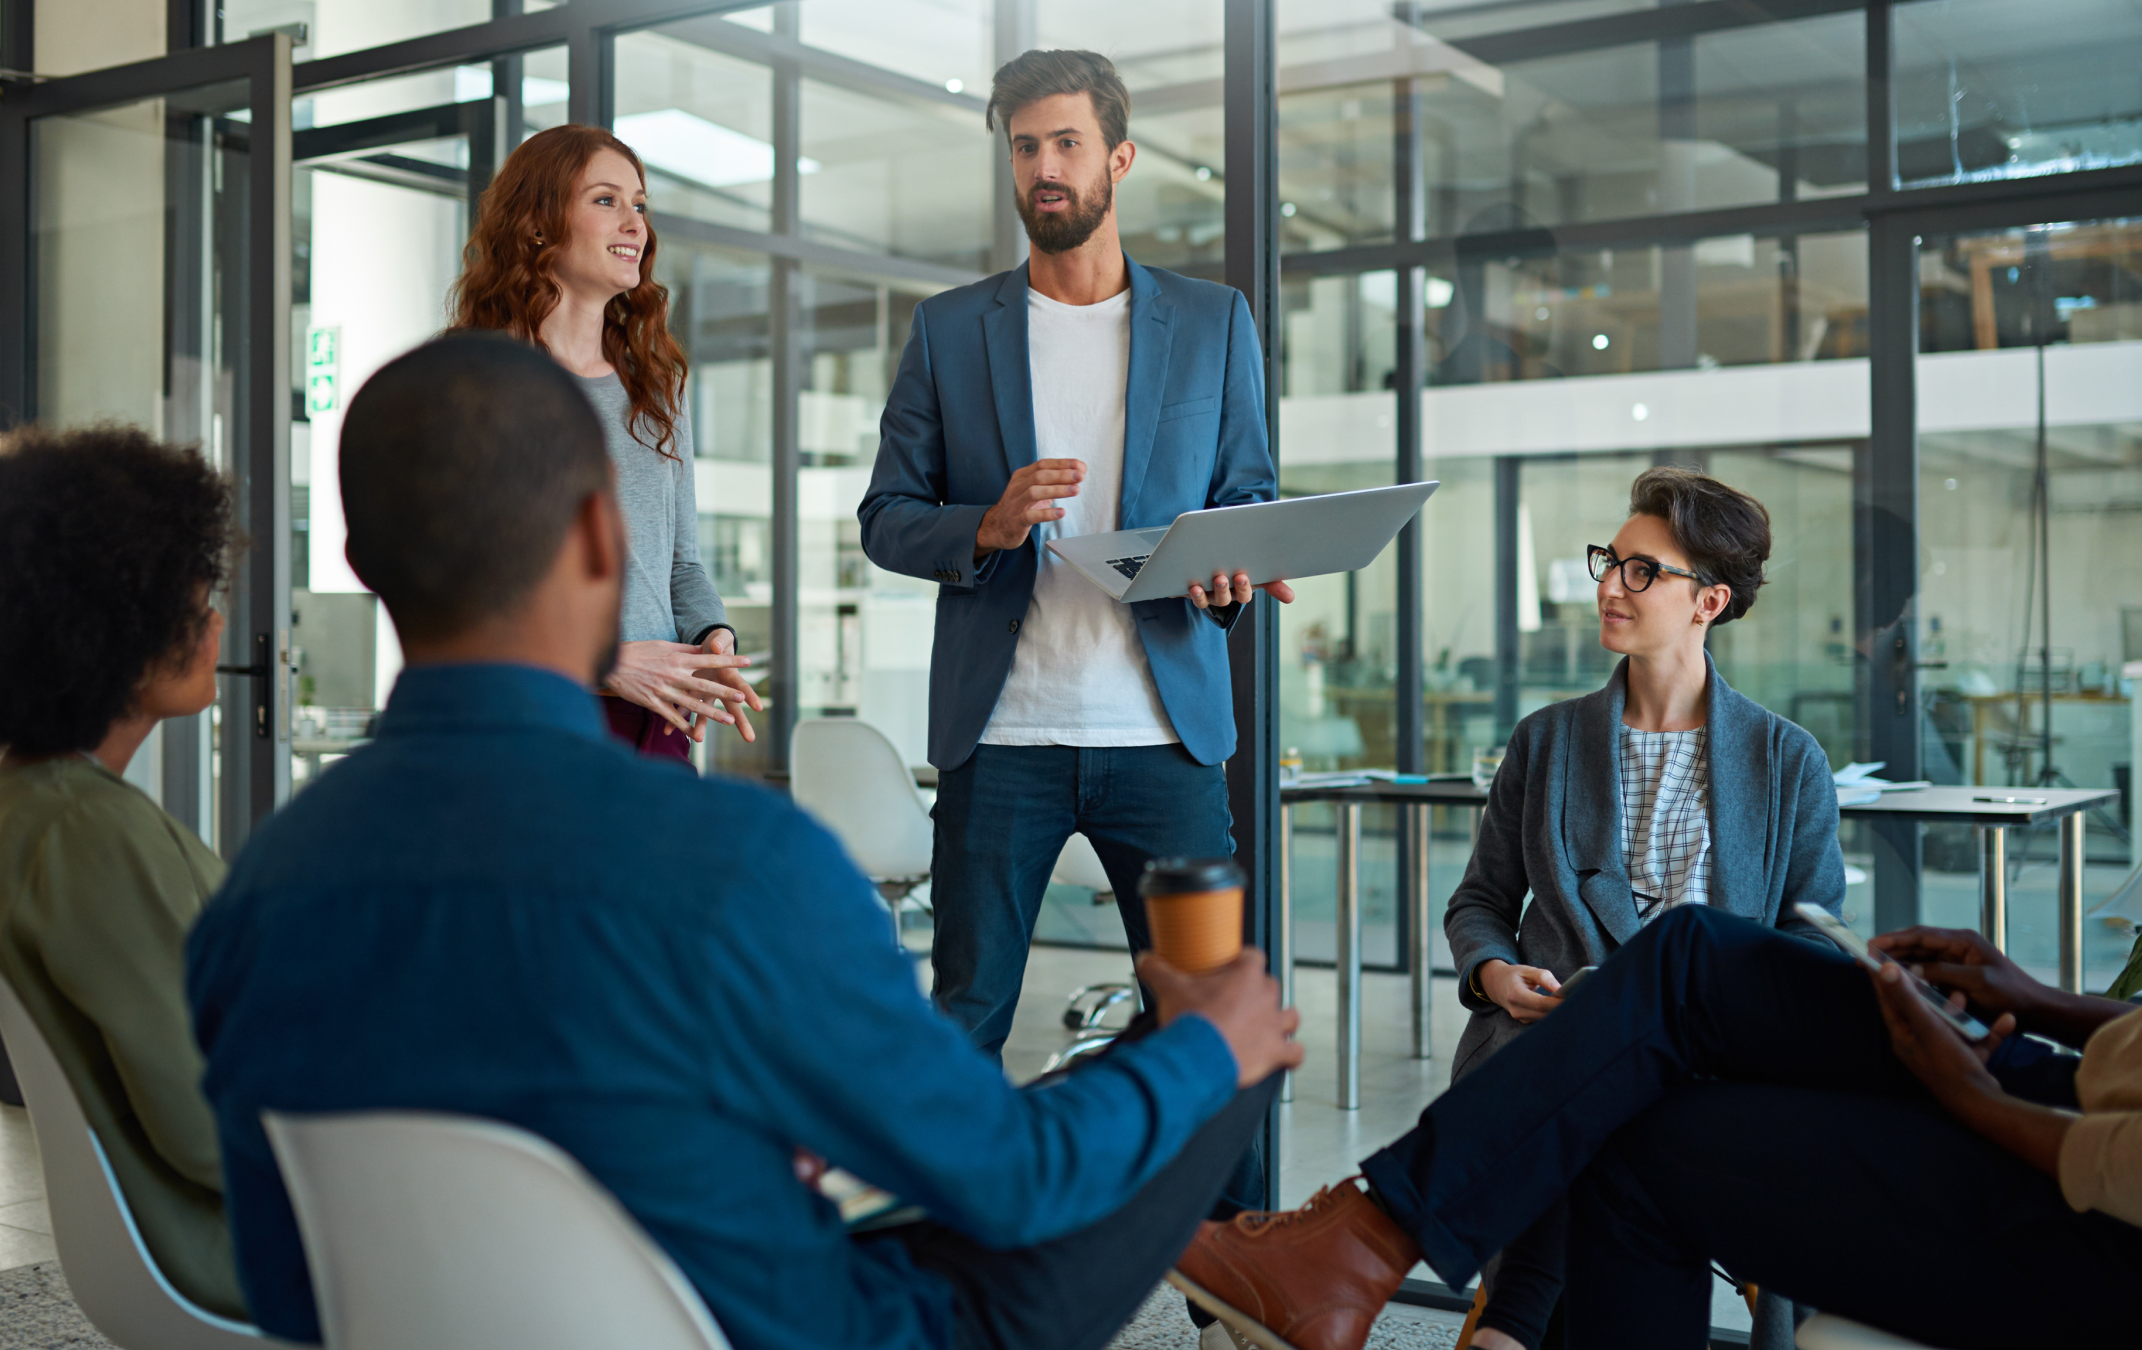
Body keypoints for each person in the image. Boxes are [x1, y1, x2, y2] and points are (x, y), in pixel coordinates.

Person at [1167, 368, 2142, 1350]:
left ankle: (1365, 1249)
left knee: (1650, 1083)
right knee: (1689, 966)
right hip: (2092, 1094)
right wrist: (2042, 1000)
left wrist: (1976, 1096)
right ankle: (1361, 1249)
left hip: (2123, 1234)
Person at [187, 333, 1305, 1350]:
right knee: (1216, 1047)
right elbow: (1014, 1182)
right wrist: (1206, 1050)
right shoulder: (734, 864)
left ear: (362, 561)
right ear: (597, 539)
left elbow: (286, 1272)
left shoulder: (255, 895)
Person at [856, 49, 1294, 1059]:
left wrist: (1225, 578)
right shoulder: (951, 329)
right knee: (964, 1019)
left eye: (1066, 143)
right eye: (1024, 147)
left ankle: (1218, 1227)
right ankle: (959, 1221)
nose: (1044, 167)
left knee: (1211, 1022)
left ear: (1120, 157)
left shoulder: (1213, 322)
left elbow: (1247, 494)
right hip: (1002, 735)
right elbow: (885, 516)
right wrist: (986, 525)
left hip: (1166, 737)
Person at [1448, 466, 1844, 1350]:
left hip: (1714, 1059)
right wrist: (1495, 972)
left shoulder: (1786, 762)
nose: (1608, 587)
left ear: (1709, 601)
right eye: (1609, 562)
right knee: (1596, 1073)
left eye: (1641, 570)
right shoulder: (1545, 741)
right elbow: (1480, 901)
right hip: (1543, 1036)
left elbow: (1814, 947)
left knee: (1619, 1086)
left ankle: (1508, 1325)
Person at [0, 425, 246, 1319]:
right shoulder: (83, 837)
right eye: (196, 597)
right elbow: (212, 1128)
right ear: (115, 617)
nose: (217, 620)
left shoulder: (36, 807)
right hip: (245, 1248)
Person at [451, 123, 762, 766]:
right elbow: (462, 586)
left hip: (659, 719)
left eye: (640, 205)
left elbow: (682, 565)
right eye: (605, 200)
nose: (635, 224)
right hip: (537, 718)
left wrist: (713, 637)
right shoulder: (476, 381)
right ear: (537, 224)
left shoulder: (657, 388)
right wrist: (607, 661)